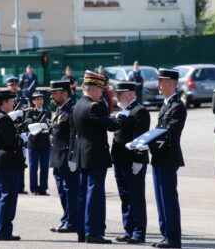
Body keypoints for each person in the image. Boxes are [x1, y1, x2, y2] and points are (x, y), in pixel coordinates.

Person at [70, 70, 126, 244]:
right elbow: (110, 126)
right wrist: (121, 117)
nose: (102, 93)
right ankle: (92, 232)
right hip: (94, 155)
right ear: (93, 89)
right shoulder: (93, 107)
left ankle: (82, 231)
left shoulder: (78, 105)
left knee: (83, 194)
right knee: (94, 194)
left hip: (83, 154)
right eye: (100, 90)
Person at [138, 68, 186, 248]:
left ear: (172, 84)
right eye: (159, 81)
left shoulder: (177, 107)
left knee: (168, 198)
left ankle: (173, 238)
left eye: (162, 81)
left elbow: (170, 135)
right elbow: (158, 132)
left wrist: (148, 145)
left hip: (168, 158)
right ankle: (165, 234)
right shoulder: (166, 105)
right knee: (160, 198)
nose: (158, 85)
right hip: (159, 158)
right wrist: (143, 142)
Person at [111, 82, 150, 244]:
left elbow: (143, 138)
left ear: (130, 93)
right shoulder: (124, 111)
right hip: (119, 160)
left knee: (136, 196)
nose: (117, 96)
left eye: (120, 93)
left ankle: (139, 231)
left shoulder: (139, 111)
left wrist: (139, 160)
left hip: (132, 161)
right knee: (125, 196)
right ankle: (128, 229)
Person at [0, 89, 25, 241]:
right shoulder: (2, 119)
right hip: (6, 162)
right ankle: (3, 231)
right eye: (11, 101)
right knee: (7, 197)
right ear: (3, 102)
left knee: (0, 196)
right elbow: (11, 142)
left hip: (0, 161)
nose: (13, 103)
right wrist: (22, 139)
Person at [48, 80, 78, 233]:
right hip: (57, 157)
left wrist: (72, 157)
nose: (52, 96)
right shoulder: (61, 109)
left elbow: (74, 135)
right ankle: (66, 218)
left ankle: (72, 221)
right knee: (62, 190)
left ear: (65, 93)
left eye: (55, 92)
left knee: (70, 190)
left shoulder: (72, 109)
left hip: (66, 157)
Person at [6, 77, 30, 194]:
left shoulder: (24, 100)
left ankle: (20, 186)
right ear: (8, 86)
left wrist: (26, 131)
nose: (14, 87)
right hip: (9, 132)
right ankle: (11, 185)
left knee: (21, 159)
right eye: (11, 85)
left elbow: (27, 115)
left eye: (15, 85)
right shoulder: (5, 100)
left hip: (21, 131)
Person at [26, 92, 51, 195]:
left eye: (41, 99)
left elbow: (49, 125)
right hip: (34, 142)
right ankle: (34, 188)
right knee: (33, 167)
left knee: (44, 167)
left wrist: (42, 125)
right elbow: (30, 126)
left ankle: (43, 188)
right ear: (33, 101)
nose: (40, 101)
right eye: (37, 99)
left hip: (45, 142)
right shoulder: (30, 112)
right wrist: (41, 125)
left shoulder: (47, 111)